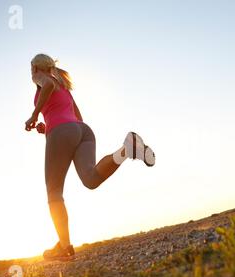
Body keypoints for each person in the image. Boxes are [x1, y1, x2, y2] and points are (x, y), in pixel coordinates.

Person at [24, 53, 155, 261]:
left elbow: (47, 85)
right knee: (91, 179)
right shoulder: (64, 86)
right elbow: (75, 118)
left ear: (36, 67)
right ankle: (126, 150)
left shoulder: (42, 78)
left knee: (54, 192)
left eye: (32, 67)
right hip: (82, 130)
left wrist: (34, 114)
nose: (31, 71)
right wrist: (47, 127)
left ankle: (64, 246)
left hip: (62, 132)